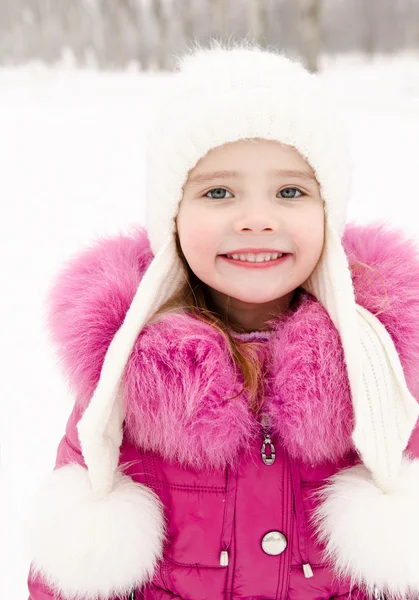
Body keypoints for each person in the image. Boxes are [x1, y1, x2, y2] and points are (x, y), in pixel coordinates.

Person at [26, 41, 419, 600]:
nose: (256, 219)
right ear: (172, 217)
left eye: (290, 191)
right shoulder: (123, 381)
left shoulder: (380, 374)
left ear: (329, 211)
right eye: (218, 192)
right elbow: (64, 580)